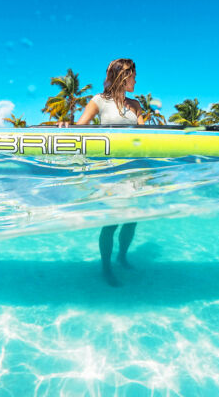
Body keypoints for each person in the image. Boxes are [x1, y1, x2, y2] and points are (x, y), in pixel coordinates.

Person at [75, 58, 144, 286]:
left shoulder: (136, 105)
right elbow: (80, 128)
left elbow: (146, 138)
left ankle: (122, 257)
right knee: (112, 222)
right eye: (132, 75)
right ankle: (106, 267)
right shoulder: (98, 102)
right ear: (122, 77)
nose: (135, 79)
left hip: (134, 170)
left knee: (132, 220)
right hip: (111, 170)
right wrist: (66, 127)